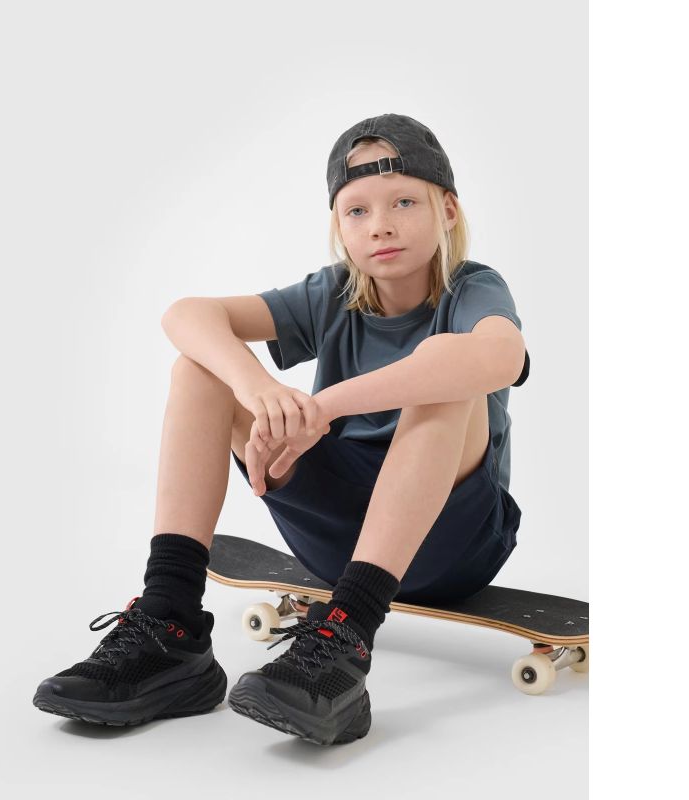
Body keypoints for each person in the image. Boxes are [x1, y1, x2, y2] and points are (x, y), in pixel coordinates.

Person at [33, 112, 529, 746]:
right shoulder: (334, 294)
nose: (380, 224)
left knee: (446, 374)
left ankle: (347, 638)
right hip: (337, 541)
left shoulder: (472, 290)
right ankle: (171, 623)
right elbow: (186, 314)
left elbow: (501, 357)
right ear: (339, 227)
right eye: (357, 211)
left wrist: (327, 407)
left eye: (404, 202)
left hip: (453, 540)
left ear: (448, 211)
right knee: (199, 369)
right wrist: (258, 388)